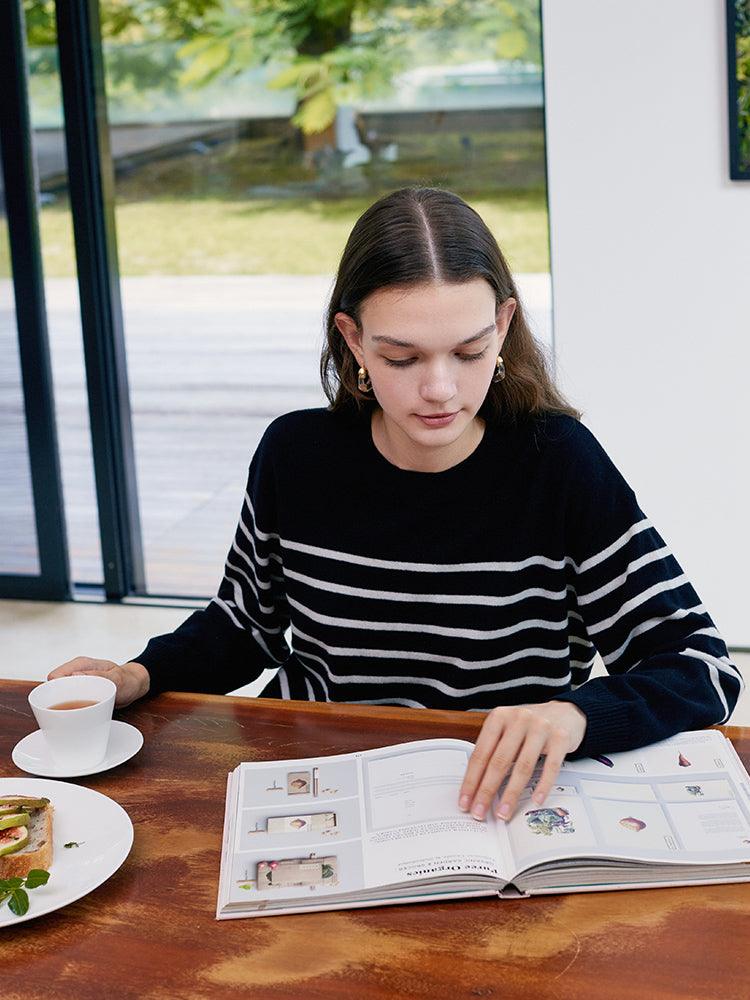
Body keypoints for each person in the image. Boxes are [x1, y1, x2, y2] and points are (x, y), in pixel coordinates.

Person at [49, 187, 744, 824]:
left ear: (502, 326)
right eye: (402, 358)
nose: (439, 388)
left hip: (489, 791)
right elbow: (244, 630)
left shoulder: (557, 462)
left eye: (468, 351)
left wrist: (575, 715)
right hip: (313, 771)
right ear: (353, 340)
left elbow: (703, 668)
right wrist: (138, 673)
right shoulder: (295, 455)